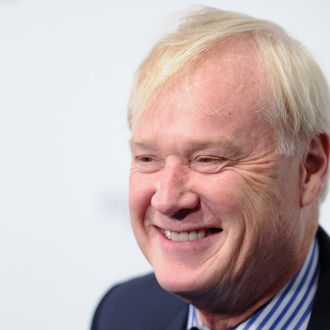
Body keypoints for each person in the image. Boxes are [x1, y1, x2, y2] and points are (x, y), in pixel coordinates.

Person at [92, 6, 330, 330]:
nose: (166, 199)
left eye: (208, 159)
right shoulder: (122, 313)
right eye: (148, 159)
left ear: (309, 168)